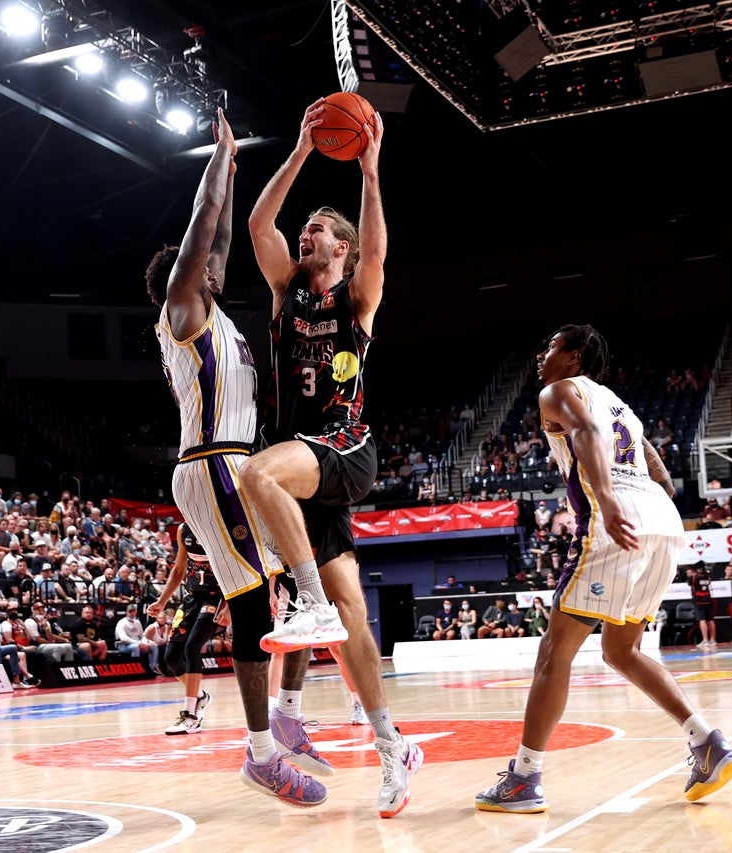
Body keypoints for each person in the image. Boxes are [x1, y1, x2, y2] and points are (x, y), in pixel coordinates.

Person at [474, 324, 732, 815]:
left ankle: (523, 780)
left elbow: (586, 433)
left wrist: (608, 498)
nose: (541, 355)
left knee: (554, 653)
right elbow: (653, 460)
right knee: (623, 650)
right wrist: (654, 499)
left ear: (573, 357)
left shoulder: (558, 391)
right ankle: (709, 744)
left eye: (550, 346)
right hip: (661, 524)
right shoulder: (618, 403)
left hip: (614, 522)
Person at [244, 98, 421, 818]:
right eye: (306, 228)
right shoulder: (285, 292)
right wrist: (299, 149)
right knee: (352, 619)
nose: (306, 232)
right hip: (308, 470)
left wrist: (369, 172)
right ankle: (392, 745)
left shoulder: (356, 297)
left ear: (340, 248)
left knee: (256, 472)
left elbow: (377, 250)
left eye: (318, 228)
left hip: (342, 447)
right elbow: (258, 225)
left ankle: (307, 603)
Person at [145, 108, 325, 808]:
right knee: (256, 609)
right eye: (207, 262)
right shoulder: (182, 309)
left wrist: (234, 172)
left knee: (286, 605)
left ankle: (284, 720)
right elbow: (205, 223)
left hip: (236, 467)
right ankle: (260, 752)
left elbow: (216, 233)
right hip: (214, 463)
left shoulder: (214, 313)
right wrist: (219, 159)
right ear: (186, 278)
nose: (218, 260)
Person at [148, 523, 220, 733]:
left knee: (192, 646)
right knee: (171, 657)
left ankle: (190, 715)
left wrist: (229, 606)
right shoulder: (183, 530)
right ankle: (200, 697)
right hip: (192, 598)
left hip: (216, 599)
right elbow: (179, 569)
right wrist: (162, 602)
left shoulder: (218, 526)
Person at [688, 561, 717, 647]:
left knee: (702, 619)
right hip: (708, 599)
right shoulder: (707, 576)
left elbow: (689, 583)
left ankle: (705, 640)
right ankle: (713, 639)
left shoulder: (694, 577)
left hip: (698, 601)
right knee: (710, 619)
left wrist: (690, 575)